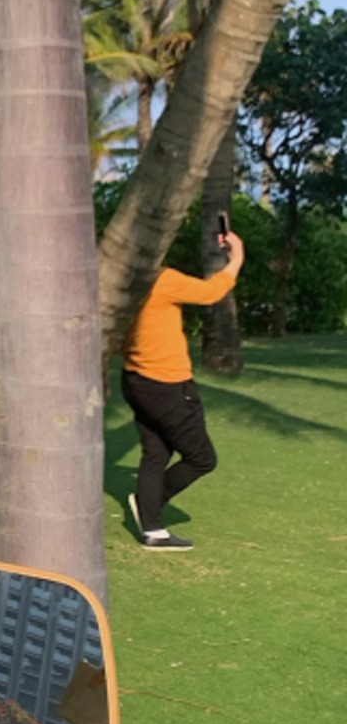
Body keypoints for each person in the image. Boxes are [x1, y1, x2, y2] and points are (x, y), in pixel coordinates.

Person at [120, 231, 245, 551]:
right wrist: (236, 259)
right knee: (201, 458)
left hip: (135, 380)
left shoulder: (123, 283)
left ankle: (153, 530)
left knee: (156, 453)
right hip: (167, 386)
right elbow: (211, 292)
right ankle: (148, 504)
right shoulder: (162, 279)